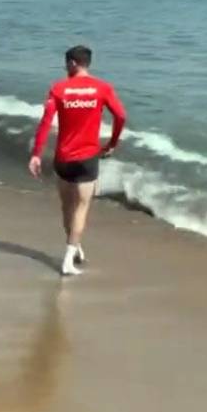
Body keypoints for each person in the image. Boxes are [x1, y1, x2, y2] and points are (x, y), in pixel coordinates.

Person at [28, 45, 128, 276]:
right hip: (87, 158)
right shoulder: (102, 88)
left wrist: (36, 153)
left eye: (66, 64)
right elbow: (121, 116)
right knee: (81, 208)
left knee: (67, 206)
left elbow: (45, 122)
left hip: (63, 157)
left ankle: (75, 247)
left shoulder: (59, 88)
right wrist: (112, 143)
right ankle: (68, 259)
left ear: (73, 63)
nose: (65, 68)